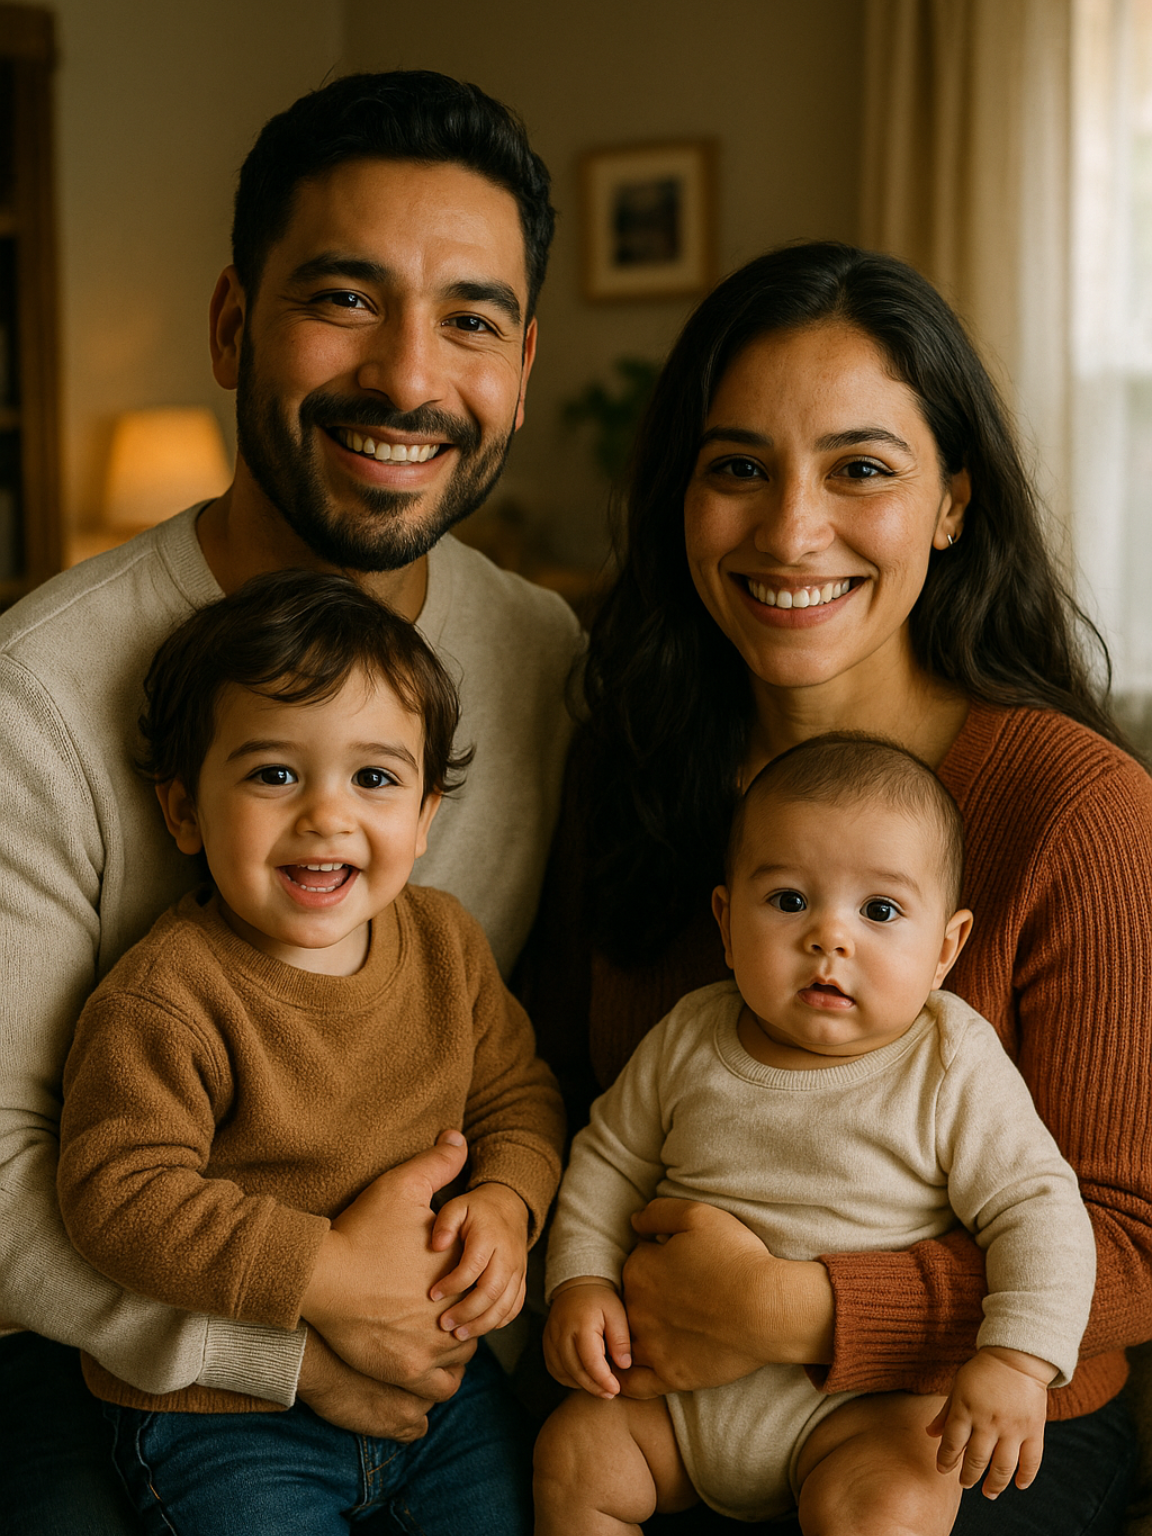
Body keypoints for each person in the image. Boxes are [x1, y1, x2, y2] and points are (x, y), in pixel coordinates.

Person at [0, 71, 581, 1535]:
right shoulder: (36, 694)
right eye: (344, 297)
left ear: (522, 364)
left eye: (470, 319)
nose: (405, 377)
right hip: (113, 1357)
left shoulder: (548, 662)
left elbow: (525, 1065)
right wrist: (294, 1345)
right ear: (230, 326)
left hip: (445, 1352)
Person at [527, 241, 1152, 1534]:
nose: (790, 529)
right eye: (738, 468)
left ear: (953, 503)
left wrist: (794, 1310)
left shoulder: (1076, 806)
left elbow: (1134, 1240)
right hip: (661, 1396)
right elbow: (568, 1098)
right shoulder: (630, 765)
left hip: (959, 1422)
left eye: (860, 468)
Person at [55, 571, 564, 1534]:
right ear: (183, 813)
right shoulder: (167, 997)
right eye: (273, 773)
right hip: (228, 1420)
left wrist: (508, 1199)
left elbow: (518, 1096)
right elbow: (116, 1194)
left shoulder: (446, 945)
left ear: (423, 821)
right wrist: (325, 1269)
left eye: (374, 778)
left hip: (438, 1394)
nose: (327, 814)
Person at [534, 734, 1095, 1535]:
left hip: (864, 1411)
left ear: (946, 949)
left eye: (880, 910)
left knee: (891, 1503)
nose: (830, 937)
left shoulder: (949, 1061)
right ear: (726, 924)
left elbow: (1039, 1210)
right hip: (671, 1399)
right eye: (790, 900)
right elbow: (606, 1162)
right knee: (574, 1458)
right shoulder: (692, 1033)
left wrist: (1016, 1358)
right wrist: (581, 1282)